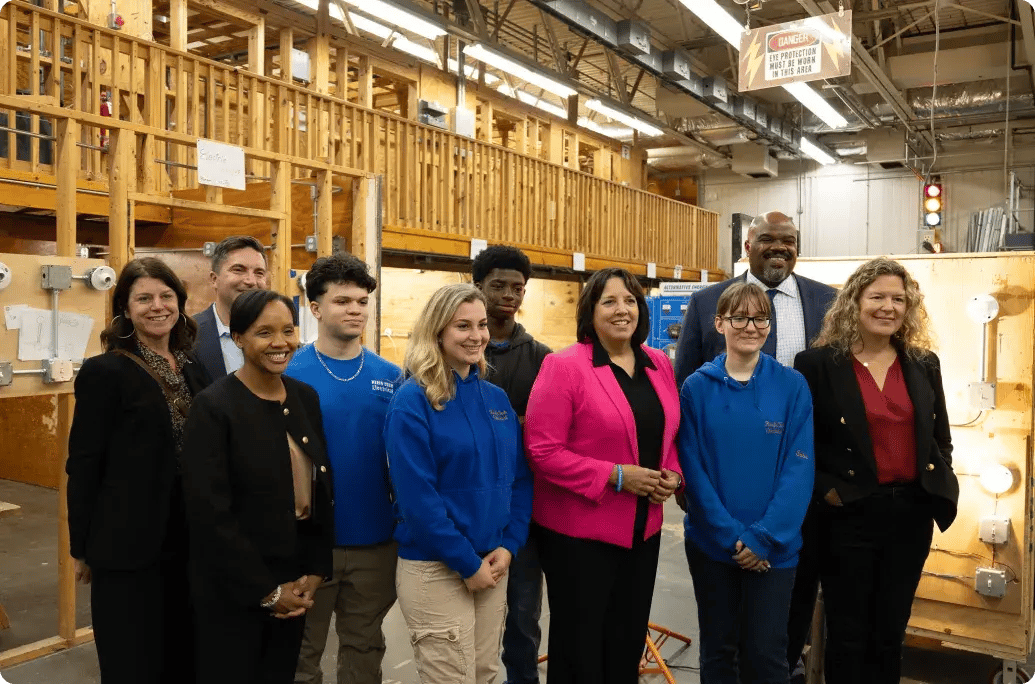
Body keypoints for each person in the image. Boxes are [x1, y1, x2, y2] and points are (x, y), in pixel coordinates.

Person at [673, 210, 835, 682]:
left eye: (759, 318)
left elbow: (798, 464)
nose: (750, 325)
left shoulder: (796, 380)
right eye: (739, 317)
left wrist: (766, 535)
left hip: (779, 536)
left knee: (771, 653)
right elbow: (694, 460)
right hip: (714, 535)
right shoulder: (698, 385)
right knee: (718, 651)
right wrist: (726, 532)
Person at [794, 258, 958, 684]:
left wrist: (938, 485)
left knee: (890, 632)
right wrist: (827, 490)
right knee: (847, 635)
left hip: (910, 515)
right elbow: (800, 445)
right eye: (878, 297)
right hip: (847, 515)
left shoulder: (924, 362)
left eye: (898, 299)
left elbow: (940, 438)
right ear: (855, 302)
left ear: (909, 307)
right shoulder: (817, 364)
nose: (888, 307)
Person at [524, 267, 683, 684]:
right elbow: (542, 450)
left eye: (630, 300)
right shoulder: (564, 366)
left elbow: (667, 435)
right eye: (609, 301)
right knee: (580, 652)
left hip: (642, 532)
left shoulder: (658, 364)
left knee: (625, 644)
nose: (622, 309)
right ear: (590, 311)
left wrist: (673, 474)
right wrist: (615, 476)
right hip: (579, 537)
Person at [66, 257, 210, 684]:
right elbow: (84, 462)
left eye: (166, 296)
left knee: (184, 654)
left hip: (189, 539)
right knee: (133, 659)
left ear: (180, 304)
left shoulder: (192, 367)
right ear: (125, 309)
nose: (157, 306)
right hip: (127, 544)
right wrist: (82, 546)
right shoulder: (104, 371)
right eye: (143, 298)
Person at [181, 290, 334, 684]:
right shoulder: (213, 407)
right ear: (238, 339)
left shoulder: (304, 398)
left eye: (288, 330)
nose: (280, 343)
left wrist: (316, 568)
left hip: (293, 575)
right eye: (264, 333)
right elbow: (210, 514)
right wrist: (267, 591)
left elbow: (320, 489)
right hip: (234, 584)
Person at [384, 283, 533, 684]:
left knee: (484, 673)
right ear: (438, 333)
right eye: (462, 326)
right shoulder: (412, 401)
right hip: (436, 568)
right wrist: (467, 564)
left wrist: (509, 546)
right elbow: (418, 501)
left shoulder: (496, 399)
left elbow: (519, 479)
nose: (477, 335)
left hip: (493, 563)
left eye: (481, 325)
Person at [288, 255, 402, 684]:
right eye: (342, 301)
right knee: (301, 653)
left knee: (365, 649)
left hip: (375, 542)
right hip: (309, 545)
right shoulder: (288, 373)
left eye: (361, 300)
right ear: (315, 309)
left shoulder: (392, 377)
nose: (355, 309)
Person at [472, 245, 551, 684]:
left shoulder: (542, 358)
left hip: (522, 513)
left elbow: (546, 436)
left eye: (517, 288)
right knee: (463, 628)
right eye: (498, 285)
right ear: (477, 285)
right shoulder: (456, 350)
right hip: (464, 509)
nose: (508, 295)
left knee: (523, 621)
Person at [194, 235, 269, 379]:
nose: (251, 281)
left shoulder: (280, 335)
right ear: (214, 279)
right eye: (239, 270)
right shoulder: (189, 335)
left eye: (259, 273)